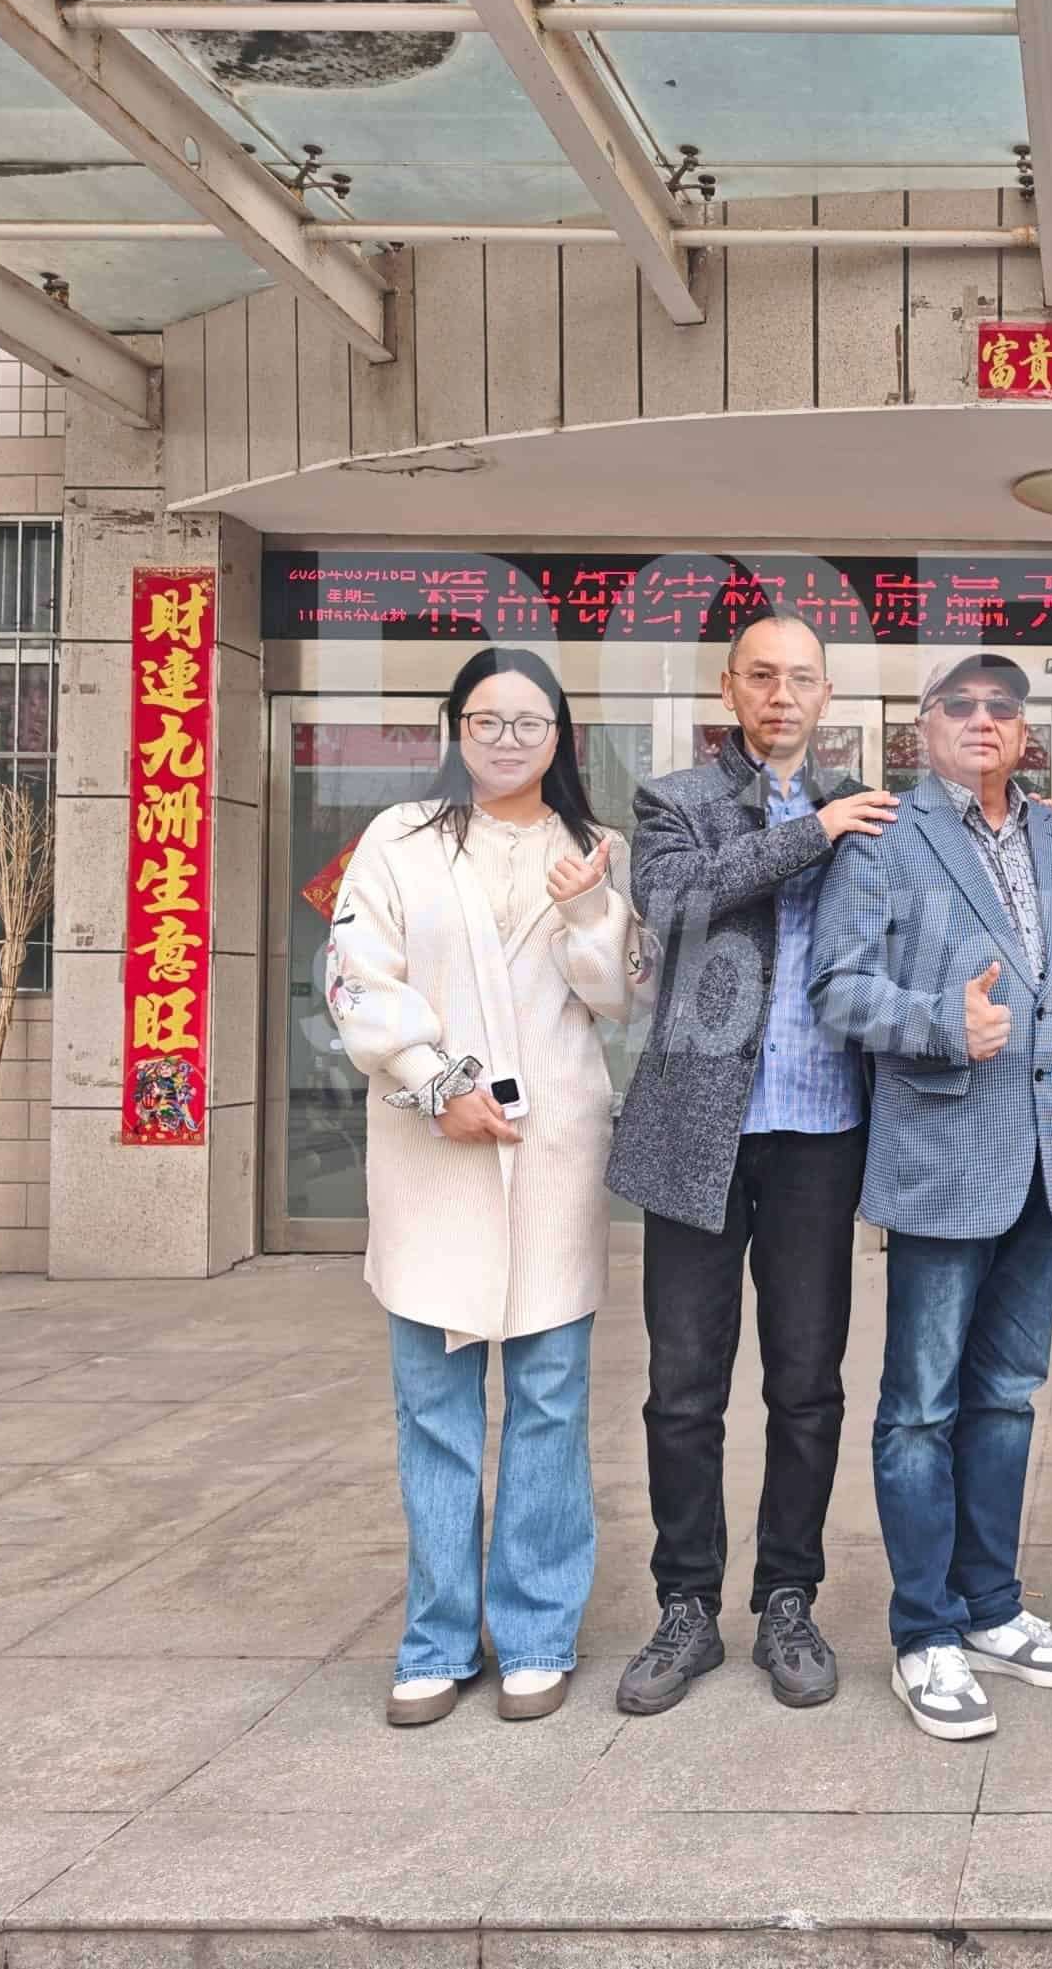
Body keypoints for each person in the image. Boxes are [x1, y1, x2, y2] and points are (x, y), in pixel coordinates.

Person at [327, 645, 652, 1728]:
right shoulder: (398, 841)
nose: (508, 738)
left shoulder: (590, 847)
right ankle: (432, 1635)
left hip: (551, 1145)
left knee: (551, 1400)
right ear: (456, 727)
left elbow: (615, 998)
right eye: (487, 718)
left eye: (531, 721)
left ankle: (537, 1630)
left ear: (560, 737)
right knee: (435, 1407)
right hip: (434, 1151)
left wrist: (588, 907)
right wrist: (434, 1082)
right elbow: (357, 982)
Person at [808, 651, 1052, 1742]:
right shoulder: (885, 835)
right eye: (961, 705)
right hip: (942, 1154)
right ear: (923, 725)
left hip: (1051, 1158)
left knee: (1009, 1394)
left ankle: (991, 1606)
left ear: (1025, 733)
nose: (985, 720)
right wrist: (941, 1018)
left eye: (1005, 708)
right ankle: (924, 1631)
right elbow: (836, 987)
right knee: (921, 1405)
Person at [604, 616, 899, 1716]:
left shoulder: (870, 809)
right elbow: (674, 900)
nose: (781, 693)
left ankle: (788, 1595)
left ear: (826, 693)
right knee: (682, 1389)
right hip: (698, 1132)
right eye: (762, 675)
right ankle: (686, 1603)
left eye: (802, 678)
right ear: (730, 687)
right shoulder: (675, 799)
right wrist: (810, 829)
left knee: (806, 1383)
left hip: (820, 1131)